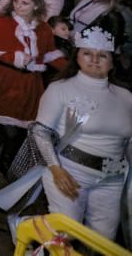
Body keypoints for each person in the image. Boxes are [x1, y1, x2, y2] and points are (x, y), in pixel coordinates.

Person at [29, 26, 132, 241]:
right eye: (87, 53)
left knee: (102, 241)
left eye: (102, 55)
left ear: (112, 62)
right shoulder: (60, 89)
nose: (94, 59)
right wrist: (56, 170)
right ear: (77, 58)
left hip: (112, 180)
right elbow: (40, 131)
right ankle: (25, 228)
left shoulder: (126, 97)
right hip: (70, 173)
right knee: (66, 235)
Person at [0, 0, 67, 176]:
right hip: (4, 79)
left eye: (24, 3)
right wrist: (13, 57)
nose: (18, 6)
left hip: (30, 83)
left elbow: (49, 55)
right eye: (16, 2)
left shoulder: (43, 28)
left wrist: (73, 71)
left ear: (36, 5)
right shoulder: (2, 22)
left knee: (21, 124)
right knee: (10, 125)